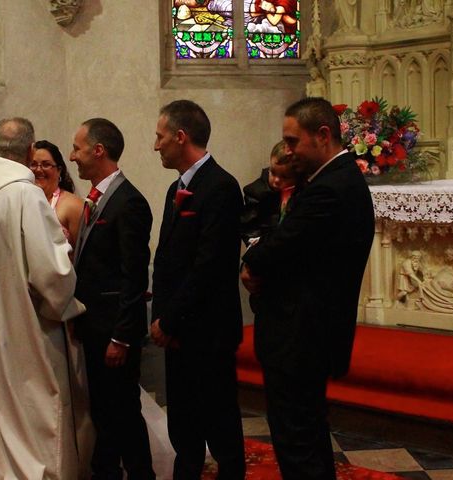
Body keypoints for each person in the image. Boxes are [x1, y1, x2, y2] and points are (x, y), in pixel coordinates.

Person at [241, 97, 375, 480]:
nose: (287, 150)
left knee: (297, 442)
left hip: (301, 335)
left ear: (322, 135)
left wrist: (252, 262)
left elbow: (279, 246)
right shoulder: (329, 181)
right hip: (305, 333)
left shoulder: (329, 188)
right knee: (306, 437)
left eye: (293, 141)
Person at [0, 117, 91, 479]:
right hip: (27, 332)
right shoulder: (26, 195)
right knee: (34, 418)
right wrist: (69, 308)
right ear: (30, 153)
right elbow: (53, 274)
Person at [151, 99, 245, 479]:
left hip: (208, 331)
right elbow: (168, 261)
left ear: (180, 136)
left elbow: (210, 267)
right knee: (184, 424)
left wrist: (169, 319)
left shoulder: (221, 187)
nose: (155, 145)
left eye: (159, 137)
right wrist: (161, 316)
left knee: (219, 421)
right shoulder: (177, 187)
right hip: (179, 331)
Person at [70, 118, 155, 480]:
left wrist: (121, 335)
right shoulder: (95, 199)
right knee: (104, 411)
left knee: (122, 411)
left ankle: (140, 475)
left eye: (77, 148)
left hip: (114, 332)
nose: (72, 156)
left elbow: (133, 276)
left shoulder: (129, 202)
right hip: (94, 325)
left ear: (98, 150)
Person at [241, 139, 299, 247]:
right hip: (262, 248)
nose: (276, 180)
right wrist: (255, 241)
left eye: (284, 177)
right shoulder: (256, 192)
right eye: (273, 172)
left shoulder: (300, 192)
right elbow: (248, 226)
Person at [30, 140, 84, 248]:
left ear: (59, 170)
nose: (38, 170)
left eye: (46, 165)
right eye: (33, 164)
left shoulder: (73, 205)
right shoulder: (23, 200)